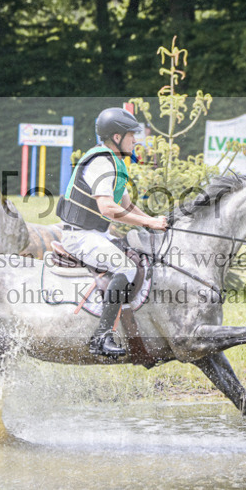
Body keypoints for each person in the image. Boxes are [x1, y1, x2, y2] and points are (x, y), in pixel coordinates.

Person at [56, 107, 168, 357]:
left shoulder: (114, 162)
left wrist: (152, 222)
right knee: (126, 267)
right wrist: (149, 224)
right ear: (117, 137)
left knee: (137, 255)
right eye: (131, 136)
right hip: (80, 236)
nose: (135, 140)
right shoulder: (100, 162)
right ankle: (101, 337)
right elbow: (107, 208)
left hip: (96, 234)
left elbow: (126, 204)